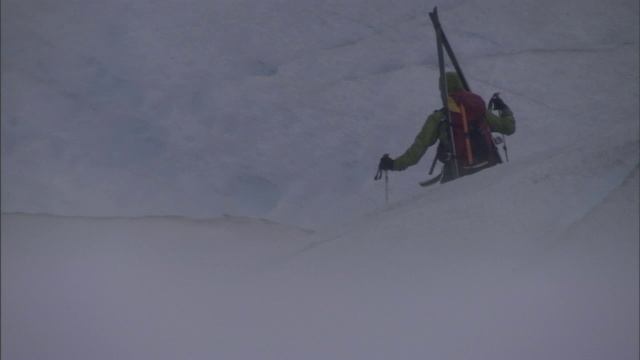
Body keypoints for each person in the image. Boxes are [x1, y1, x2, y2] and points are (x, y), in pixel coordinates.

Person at [378, 72, 515, 183]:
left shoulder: (439, 118)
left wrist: (394, 165)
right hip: (489, 166)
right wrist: (504, 109)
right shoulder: (479, 111)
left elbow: (417, 150)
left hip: (459, 173)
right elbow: (508, 128)